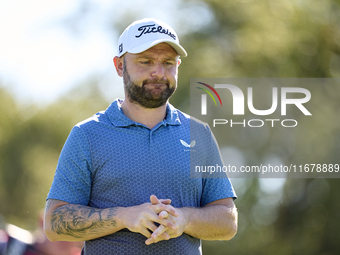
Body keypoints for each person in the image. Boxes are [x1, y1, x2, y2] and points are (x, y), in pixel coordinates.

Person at [44, 18, 238, 254]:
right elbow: (54, 223)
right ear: (119, 66)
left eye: (168, 63)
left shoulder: (199, 133)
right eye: (145, 61)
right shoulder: (87, 135)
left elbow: (228, 222)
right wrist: (125, 217)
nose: (158, 72)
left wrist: (185, 219)